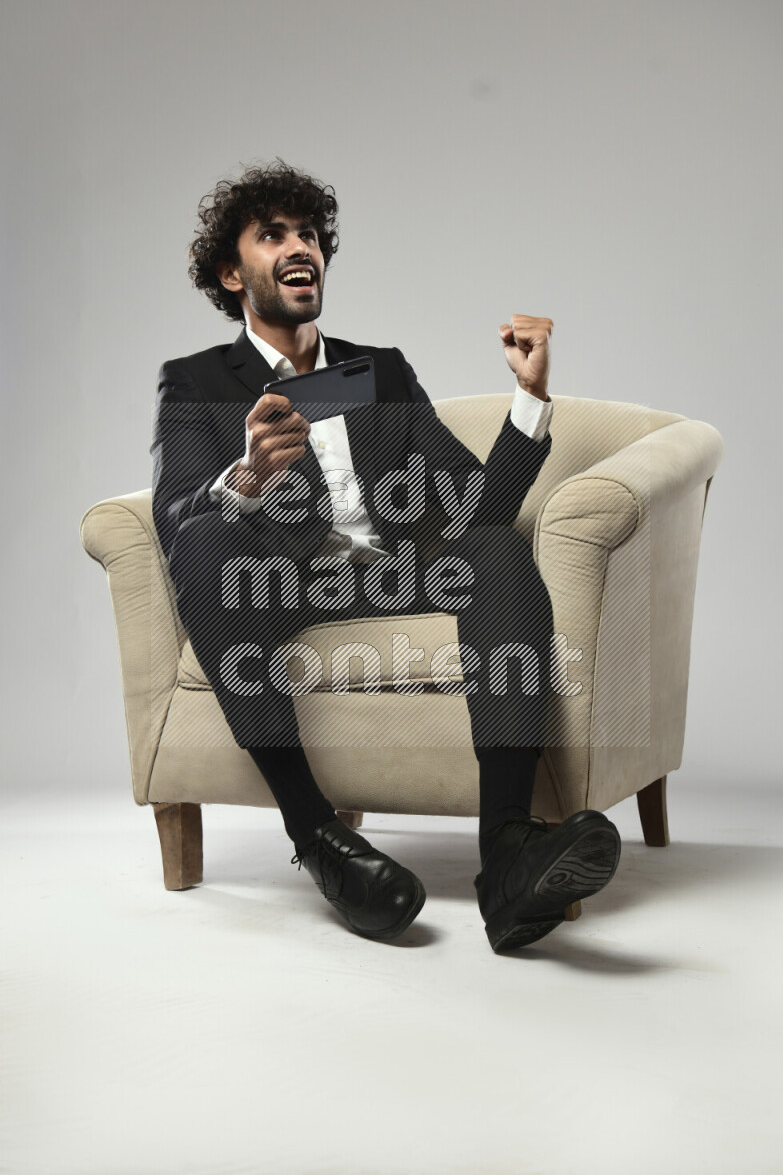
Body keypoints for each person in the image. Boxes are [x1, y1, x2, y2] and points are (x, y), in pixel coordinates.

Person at [151, 159, 621, 952]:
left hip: (389, 582)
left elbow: (478, 506)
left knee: (496, 550)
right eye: (273, 235)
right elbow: (174, 518)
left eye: (309, 234)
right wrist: (248, 476)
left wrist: (530, 404)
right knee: (203, 540)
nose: (300, 246)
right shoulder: (196, 381)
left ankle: (507, 857)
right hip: (273, 590)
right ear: (232, 272)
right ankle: (318, 836)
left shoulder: (377, 373)